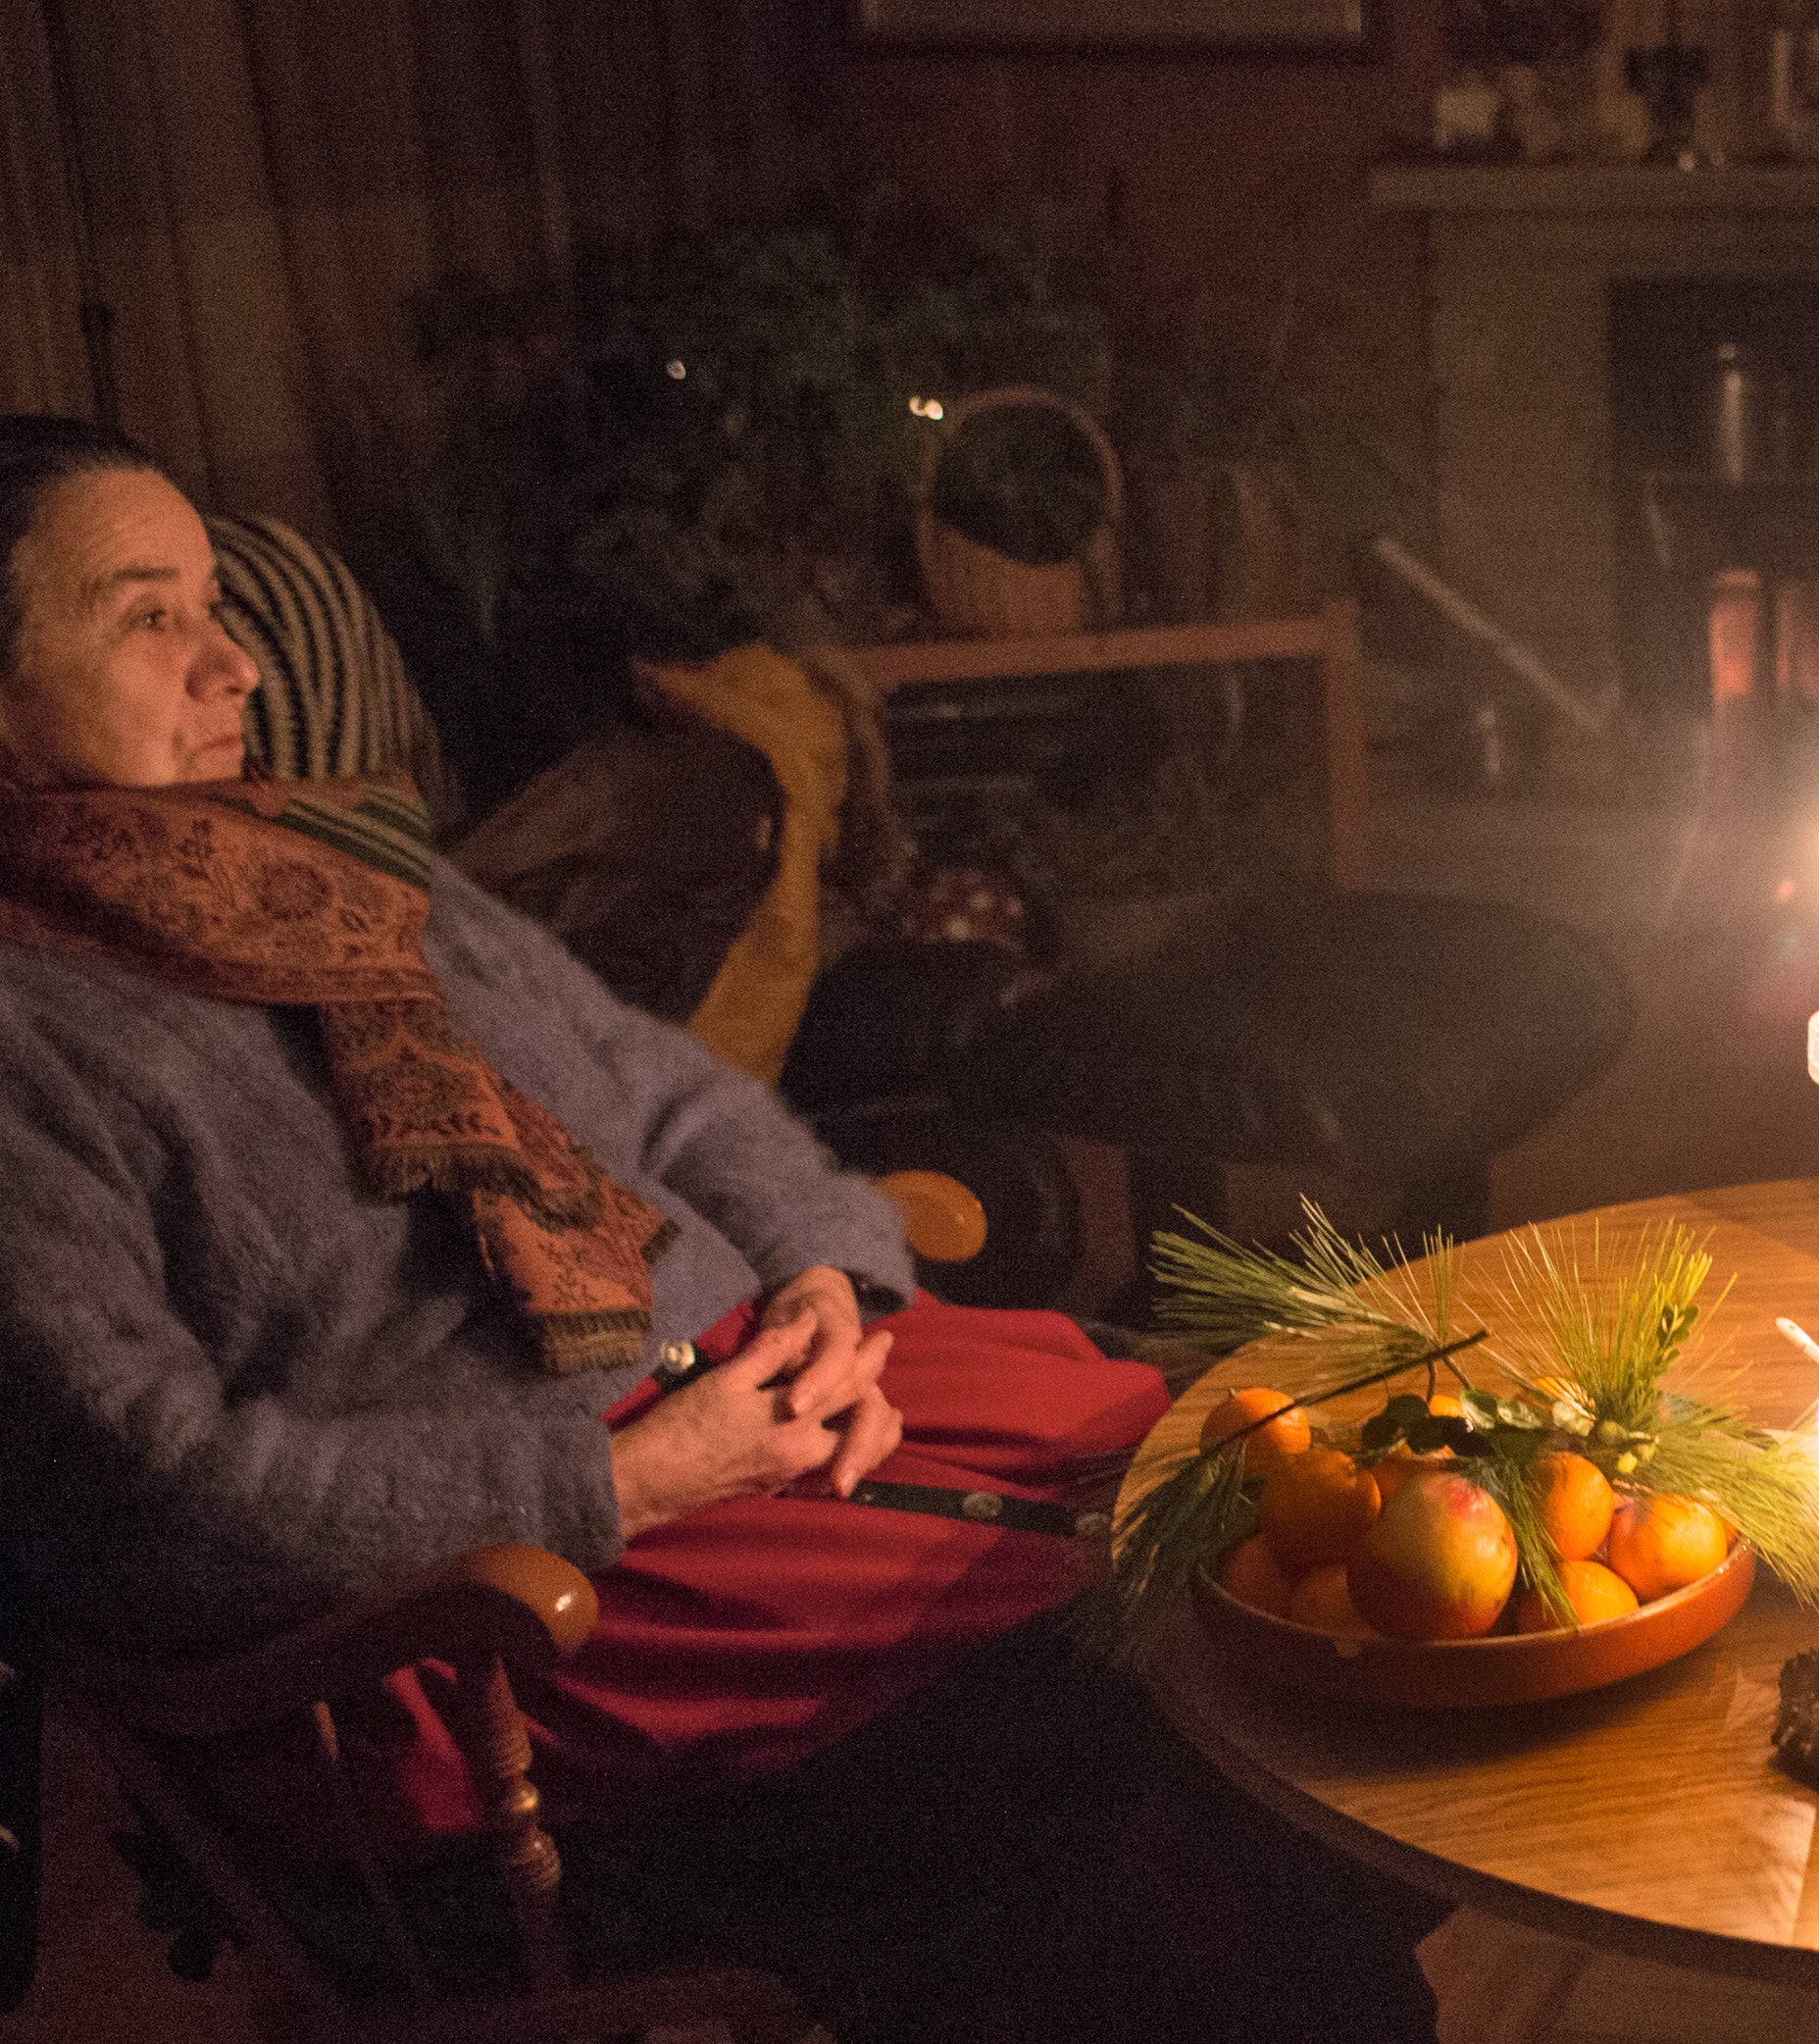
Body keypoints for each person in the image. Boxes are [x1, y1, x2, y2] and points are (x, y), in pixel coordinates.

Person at [0, 416, 1442, 2041]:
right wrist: (627, 1478)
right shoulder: (25, 1037)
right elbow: (143, 1501)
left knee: (1296, 1479)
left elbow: (671, 1101)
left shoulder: (332, 863)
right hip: (493, 1602)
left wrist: (825, 1277)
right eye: (148, 617)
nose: (234, 666)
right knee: (1140, 1707)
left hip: (761, 1401)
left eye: (215, 605)